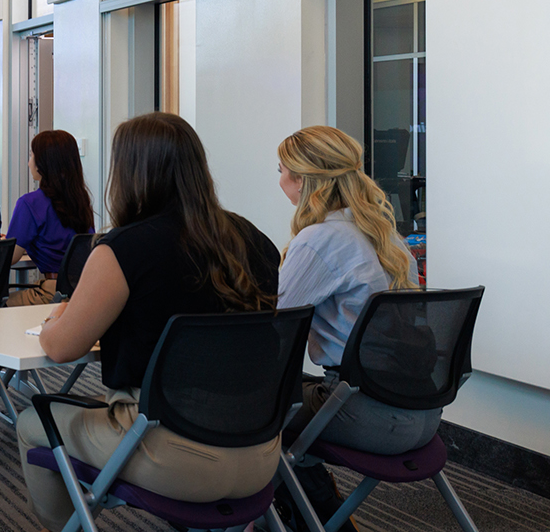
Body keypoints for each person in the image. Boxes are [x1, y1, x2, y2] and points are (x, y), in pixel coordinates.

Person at [21, 112, 282, 530]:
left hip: (168, 450)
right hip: (262, 452)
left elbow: (60, 347)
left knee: (32, 421)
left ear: (129, 172)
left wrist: (60, 314)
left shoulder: (123, 248)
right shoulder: (254, 239)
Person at [275, 125, 428, 521]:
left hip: (365, 413)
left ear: (304, 180)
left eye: (281, 170)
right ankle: (319, 511)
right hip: (423, 412)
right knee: (287, 399)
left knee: (250, 409)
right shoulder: (386, 237)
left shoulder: (319, 239)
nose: (280, 182)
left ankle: (312, 517)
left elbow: (273, 326)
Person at [5, 130, 95, 306]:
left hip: (52, 293)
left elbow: (9, 257)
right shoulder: (82, 203)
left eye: (31, 156)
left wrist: (7, 243)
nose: (29, 163)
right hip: (82, 292)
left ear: (44, 163)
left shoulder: (29, 203)